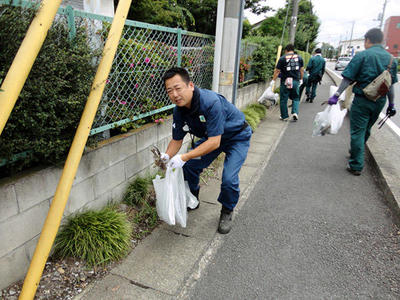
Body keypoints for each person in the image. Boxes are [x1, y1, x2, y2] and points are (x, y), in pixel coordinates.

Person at [160, 67, 252, 234]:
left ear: (191, 85)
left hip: (236, 136)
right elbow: (176, 140)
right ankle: (192, 198)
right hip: (212, 138)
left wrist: (184, 157)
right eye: (169, 91)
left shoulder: (210, 102)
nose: (174, 94)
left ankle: (227, 210)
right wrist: (167, 156)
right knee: (189, 167)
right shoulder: (178, 111)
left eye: (178, 88)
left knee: (229, 178)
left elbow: (214, 142)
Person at [328, 28, 398, 176]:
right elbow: (390, 85)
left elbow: (348, 78)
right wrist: (391, 105)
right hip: (379, 101)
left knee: (357, 131)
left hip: (362, 99)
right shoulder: (391, 59)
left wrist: (337, 94)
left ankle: (356, 164)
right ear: (381, 41)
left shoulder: (363, 56)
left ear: (367, 40)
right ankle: (356, 151)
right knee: (366, 129)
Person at [271, 44, 304, 121]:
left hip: (285, 82)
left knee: (283, 99)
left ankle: (284, 116)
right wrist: (301, 79)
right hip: (295, 81)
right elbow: (301, 70)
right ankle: (295, 112)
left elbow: (277, 71)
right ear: (293, 50)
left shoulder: (282, 58)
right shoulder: (299, 58)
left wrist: (273, 80)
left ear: (286, 50)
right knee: (296, 97)